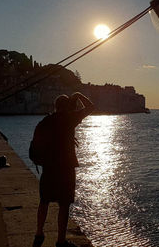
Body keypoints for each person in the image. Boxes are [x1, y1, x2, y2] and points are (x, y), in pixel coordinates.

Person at [33, 92, 94, 247]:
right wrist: (79, 95)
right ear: (66, 106)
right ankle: (60, 241)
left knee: (44, 201)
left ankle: (39, 233)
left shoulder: (44, 122)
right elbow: (91, 107)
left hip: (48, 168)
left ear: (55, 106)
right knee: (64, 205)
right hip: (65, 169)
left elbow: (36, 144)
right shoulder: (69, 119)